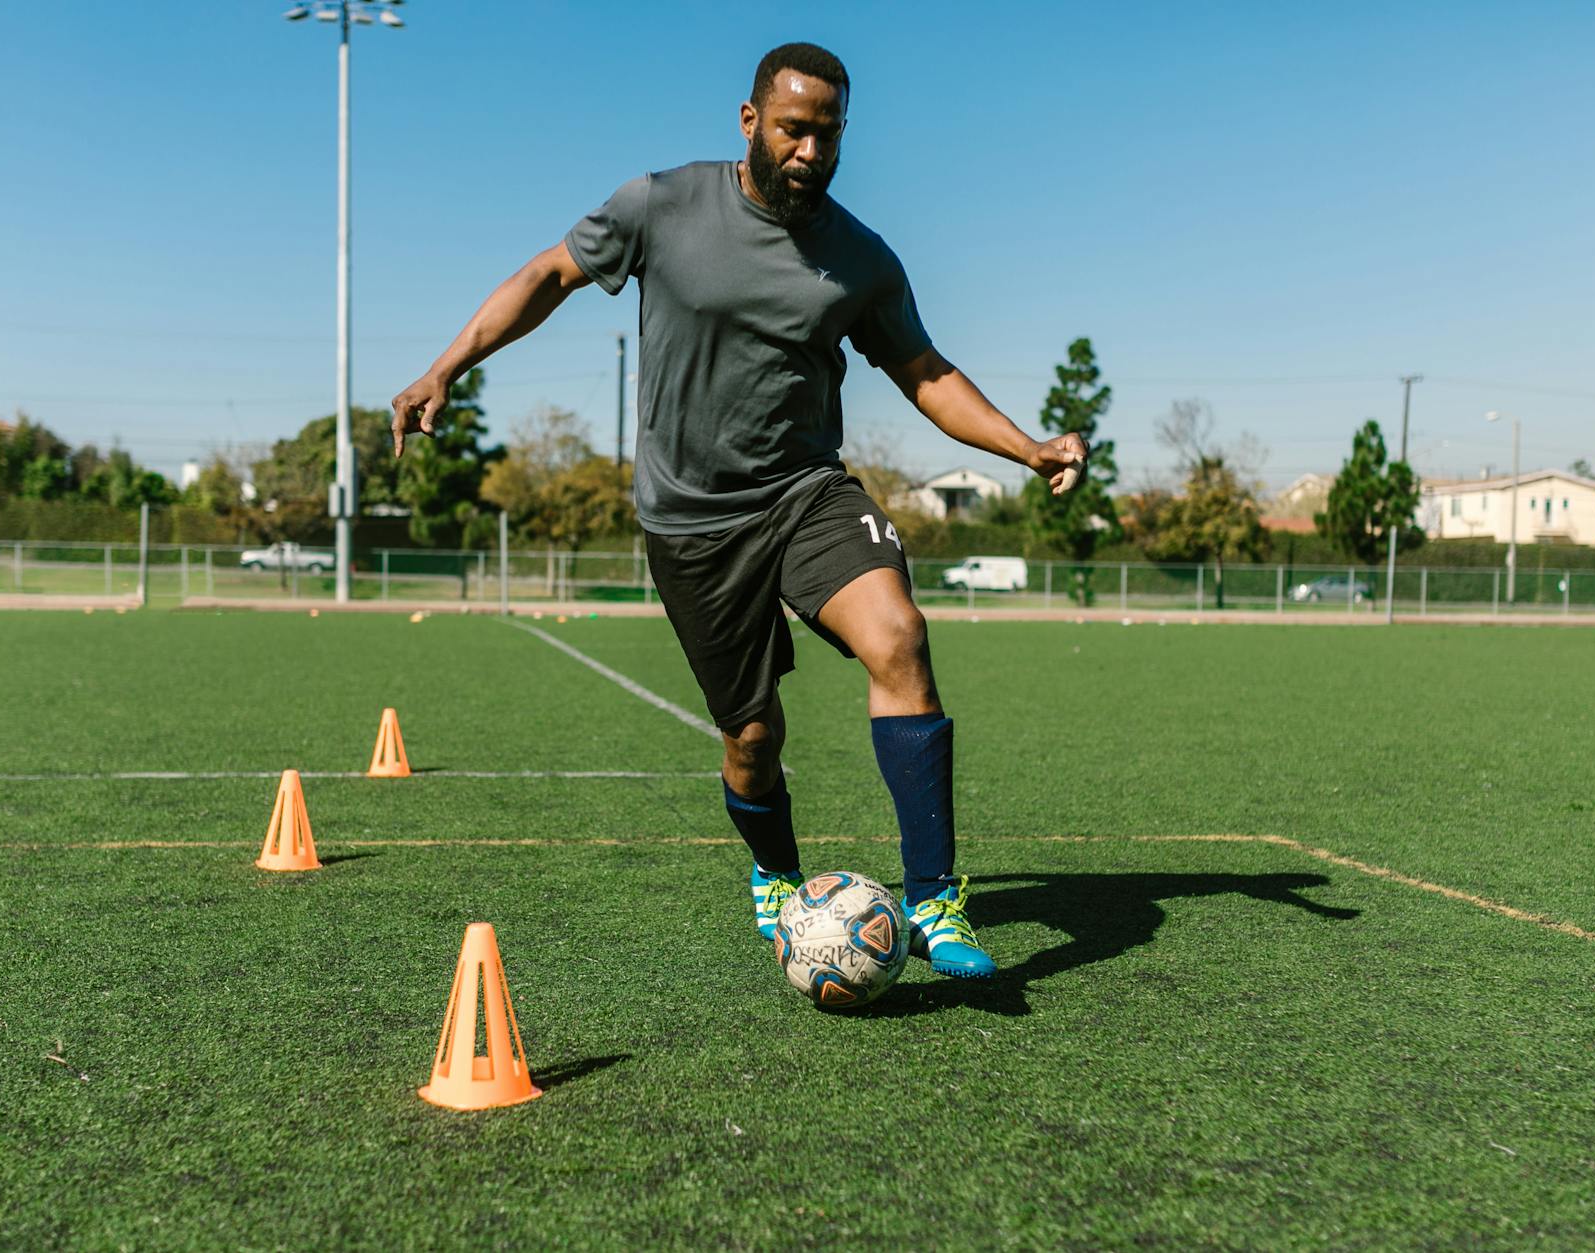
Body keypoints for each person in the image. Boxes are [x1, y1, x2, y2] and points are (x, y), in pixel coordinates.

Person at [391, 42, 1087, 979]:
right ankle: (774, 871)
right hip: (690, 521)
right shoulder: (661, 204)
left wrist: (1027, 447)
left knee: (901, 637)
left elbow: (925, 373)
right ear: (752, 120)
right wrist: (446, 368)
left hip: (806, 493)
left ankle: (936, 899)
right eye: (795, 128)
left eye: (829, 135)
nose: (810, 150)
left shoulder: (862, 259)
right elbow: (548, 276)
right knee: (752, 738)